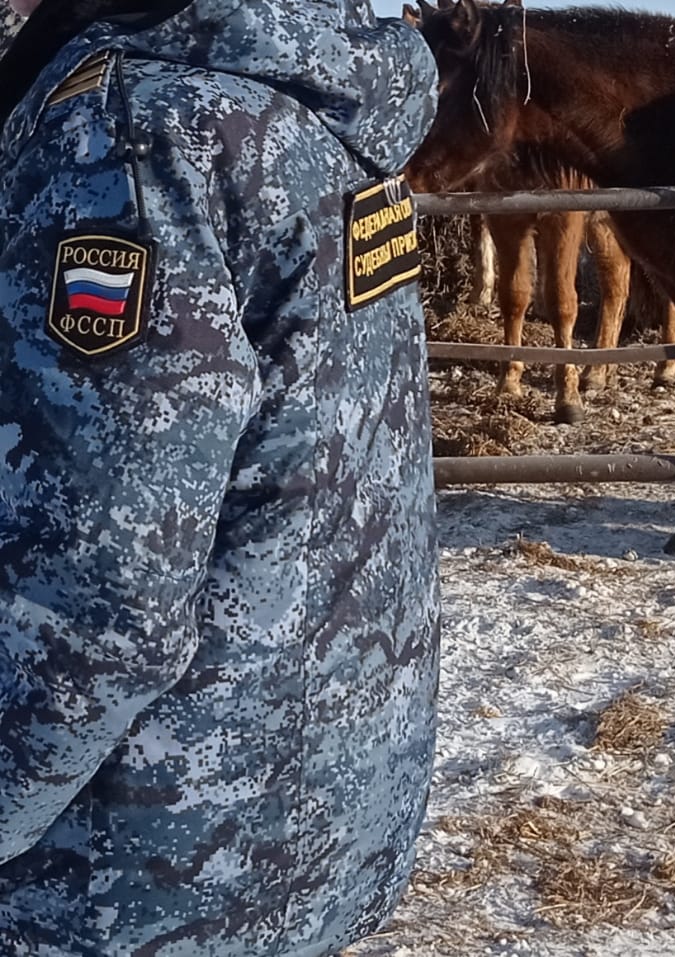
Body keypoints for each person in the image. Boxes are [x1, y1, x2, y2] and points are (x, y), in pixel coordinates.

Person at [0, 0, 441, 954]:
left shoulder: (134, 135)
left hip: (128, 868)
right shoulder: (315, 86)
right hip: (321, 811)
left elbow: (97, 596)